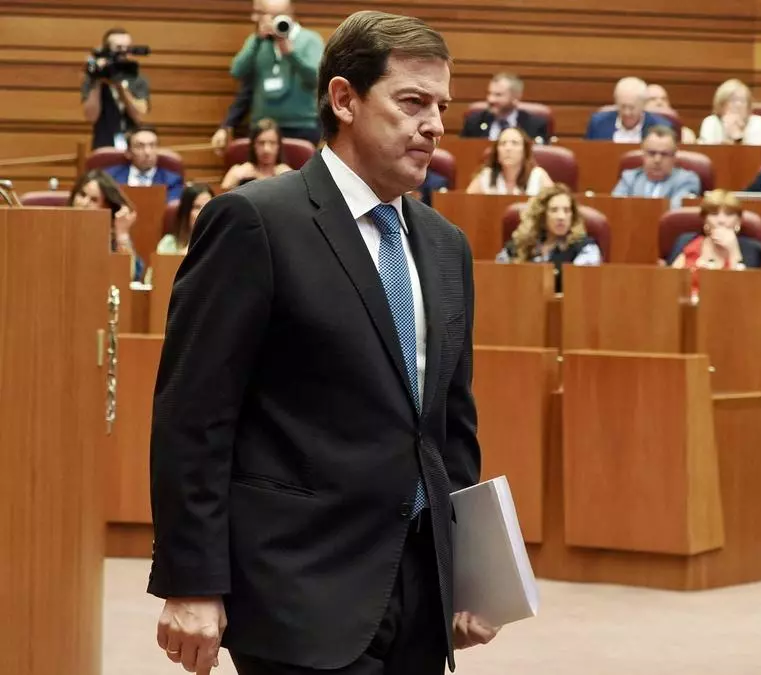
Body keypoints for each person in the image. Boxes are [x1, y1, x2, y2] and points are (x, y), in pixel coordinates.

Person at [148, 12, 498, 675]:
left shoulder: (445, 245)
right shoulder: (255, 222)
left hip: (419, 593)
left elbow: (451, 426)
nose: (434, 125)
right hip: (298, 587)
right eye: (412, 102)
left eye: (442, 107)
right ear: (344, 99)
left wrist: (469, 569)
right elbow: (194, 416)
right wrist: (191, 580)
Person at [222, 0, 325, 146]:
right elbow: (237, 71)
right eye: (266, 15)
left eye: (275, 15)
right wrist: (257, 40)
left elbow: (317, 79)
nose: (256, 18)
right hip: (261, 127)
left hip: (301, 126)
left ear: (289, 14)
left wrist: (292, 55)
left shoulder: (310, 40)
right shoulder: (256, 42)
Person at [496, 183, 602, 272]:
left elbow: (579, 284)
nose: (561, 217)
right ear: (541, 215)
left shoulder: (585, 248)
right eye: (554, 210)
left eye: (566, 211)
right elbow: (498, 276)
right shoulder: (520, 244)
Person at [667, 189, 761, 275]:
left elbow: (748, 287)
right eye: (714, 214)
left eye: (728, 214)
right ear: (705, 219)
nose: (721, 220)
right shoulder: (686, 241)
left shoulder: (752, 250)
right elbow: (670, 280)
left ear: (738, 220)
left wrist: (733, 251)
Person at [82, 27, 150, 150]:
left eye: (127, 48)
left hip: (133, 146)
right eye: (118, 48)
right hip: (104, 144)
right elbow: (90, 117)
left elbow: (140, 117)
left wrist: (120, 87)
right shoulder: (93, 79)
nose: (124, 53)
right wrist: (98, 79)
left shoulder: (137, 78)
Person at [69, 169, 143, 280]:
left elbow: (130, 277)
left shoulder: (112, 236)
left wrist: (122, 235)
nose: (84, 203)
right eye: (82, 195)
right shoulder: (59, 228)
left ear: (107, 206)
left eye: (94, 200)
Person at [611, 125, 702, 209]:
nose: (657, 160)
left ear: (674, 157)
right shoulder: (629, 178)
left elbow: (676, 210)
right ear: (643, 155)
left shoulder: (686, 180)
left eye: (664, 154)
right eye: (652, 153)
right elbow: (615, 207)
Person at [460, 72, 550, 142]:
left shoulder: (535, 125)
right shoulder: (474, 122)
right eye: (489, 93)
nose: (491, 99)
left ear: (515, 98)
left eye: (498, 95)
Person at [103, 125, 184, 201]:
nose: (147, 152)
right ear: (128, 152)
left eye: (152, 145)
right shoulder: (110, 177)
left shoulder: (172, 181)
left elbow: (170, 208)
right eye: (140, 146)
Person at [465, 126, 552, 196]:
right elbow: (467, 203)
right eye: (503, 143)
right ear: (497, 151)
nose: (508, 148)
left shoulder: (538, 176)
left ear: (525, 150)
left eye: (515, 143)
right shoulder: (486, 176)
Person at [696, 78, 761, 157]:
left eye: (742, 100)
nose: (738, 105)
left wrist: (738, 137)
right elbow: (706, 156)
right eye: (733, 100)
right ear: (721, 104)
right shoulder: (711, 122)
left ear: (748, 106)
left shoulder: (757, 123)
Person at [584, 77, 670, 142]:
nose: (626, 112)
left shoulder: (661, 127)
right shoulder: (598, 123)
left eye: (631, 108)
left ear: (643, 105)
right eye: (622, 107)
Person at [220, 118, 294, 189]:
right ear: (253, 145)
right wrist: (235, 178)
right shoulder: (238, 171)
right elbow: (222, 196)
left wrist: (289, 179)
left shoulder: (288, 174)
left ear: (279, 146)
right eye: (261, 143)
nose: (266, 149)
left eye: (272, 143)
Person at [157, 183, 214, 255]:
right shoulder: (168, 244)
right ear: (186, 212)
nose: (204, 213)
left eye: (208, 207)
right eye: (197, 207)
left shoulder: (222, 241)